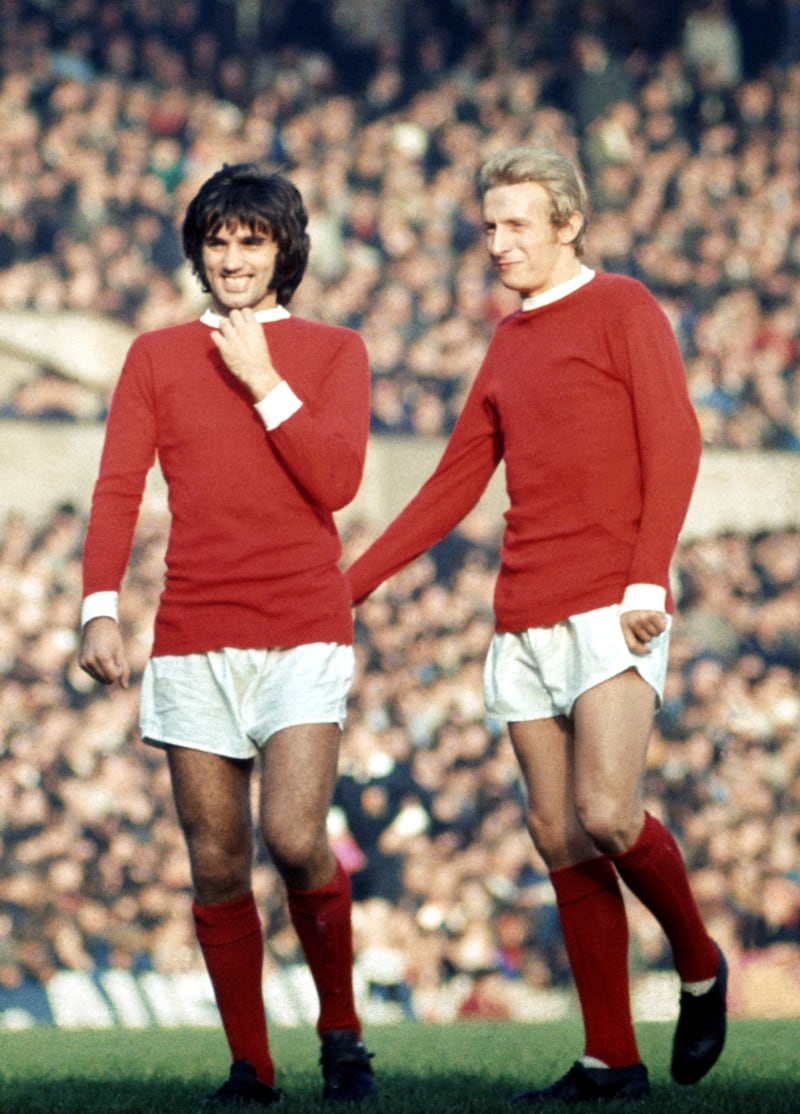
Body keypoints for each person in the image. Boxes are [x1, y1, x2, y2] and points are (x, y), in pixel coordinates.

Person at [346, 146, 727, 1104]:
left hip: (614, 600)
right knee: (557, 834)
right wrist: (347, 585)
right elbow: (453, 483)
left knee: (607, 812)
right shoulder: (507, 342)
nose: (499, 242)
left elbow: (675, 437)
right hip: (522, 609)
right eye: (489, 226)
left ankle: (700, 961)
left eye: (517, 224)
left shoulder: (626, 306)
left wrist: (650, 578)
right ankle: (611, 1060)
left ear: (568, 223)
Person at [78, 163, 376, 1107]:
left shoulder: (334, 350)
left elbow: (336, 482)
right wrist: (97, 605)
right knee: (215, 860)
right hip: (194, 629)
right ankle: (252, 1065)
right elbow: (119, 486)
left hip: (300, 626)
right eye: (218, 240)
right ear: (198, 251)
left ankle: (342, 1037)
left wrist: (262, 382)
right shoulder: (157, 356)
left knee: (293, 837)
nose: (234, 256)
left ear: (286, 248)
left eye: (252, 239)